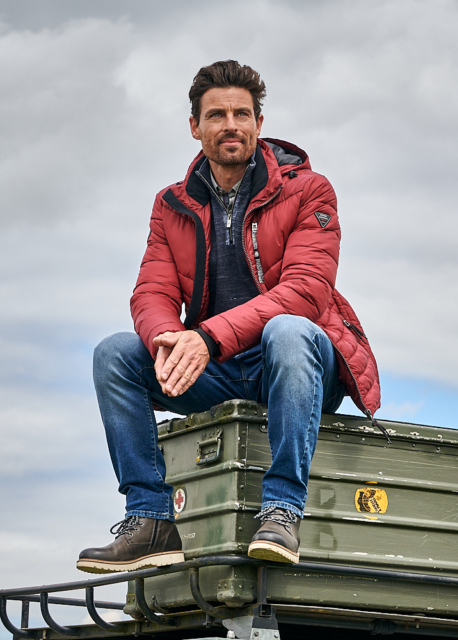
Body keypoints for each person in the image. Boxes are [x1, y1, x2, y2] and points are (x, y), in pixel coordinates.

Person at [77, 60, 380, 574]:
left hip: (296, 364)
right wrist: (169, 339)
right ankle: (150, 519)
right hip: (217, 370)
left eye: (242, 114)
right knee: (115, 354)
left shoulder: (310, 190)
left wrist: (207, 338)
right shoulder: (170, 205)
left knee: (288, 330)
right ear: (195, 127)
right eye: (216, 115)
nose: (230, 125)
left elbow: (305, 292)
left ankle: (282, 509)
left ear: (259, 124)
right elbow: (152, 290)